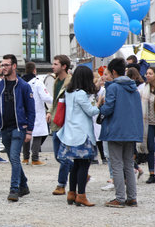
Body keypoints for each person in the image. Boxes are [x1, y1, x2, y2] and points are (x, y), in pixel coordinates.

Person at [98, 58, 143, 208]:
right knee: (129, 164)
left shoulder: (113, 88)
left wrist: (100, 108)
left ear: (114, 72)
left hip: (116, 130)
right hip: (131, 131)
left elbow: (108, 108)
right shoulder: (134, 88)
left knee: (116, 164)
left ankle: (119, 198)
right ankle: (132, 197)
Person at [0, 54, 35, 202]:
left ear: (14, 66)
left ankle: (14, 189)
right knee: (12, 158)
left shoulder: (23, 86)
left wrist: (29, 130)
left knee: (15, 157)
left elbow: (31, 110)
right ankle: (24, 185)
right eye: (2, 65)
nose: (3, 68)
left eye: (6, 65)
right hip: (4, 128)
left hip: (19, 127)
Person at [57, 66, 99, 207]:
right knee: (84, 165)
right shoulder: (81, 93)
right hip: (82, 134)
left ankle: (71, 193)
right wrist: (99, 104)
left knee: (75, 165)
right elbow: (91, 111)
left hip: (71, 133)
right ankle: (81, 195)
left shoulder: (69, 92)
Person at [46, 55, 73, 195]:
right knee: (58, 156)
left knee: (63, 156)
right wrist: (49, 111)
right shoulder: (56, 81)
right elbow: (54, 101)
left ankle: (61, 184)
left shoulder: (70, 82)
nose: (53, 66)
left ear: (64, 66)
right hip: (56, 122)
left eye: (56, 64)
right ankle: (80, 172)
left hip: (66, 123)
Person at [22, 61, 52, 166]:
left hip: (24, 112)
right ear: (34, 70)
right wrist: (55, 100)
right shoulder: (38, 82)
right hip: (36, 112)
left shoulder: (21, 81)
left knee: (26, 133)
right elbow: (45, 97)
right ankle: (35, 158)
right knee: (37, 135)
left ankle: (25, 158)